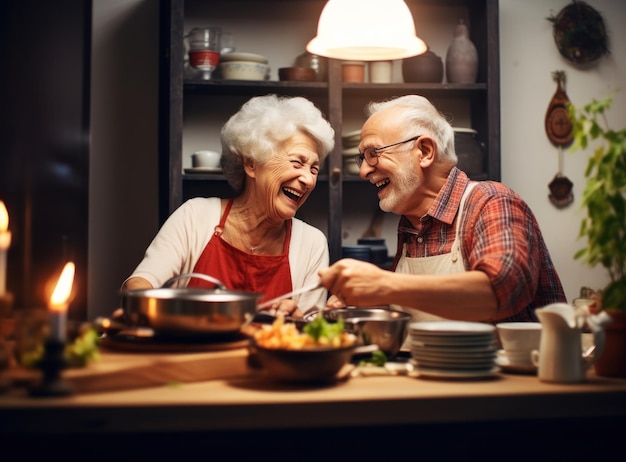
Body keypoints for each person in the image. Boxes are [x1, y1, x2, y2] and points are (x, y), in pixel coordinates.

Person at [318, 94, 566, 325]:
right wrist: (365, 303)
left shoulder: (491, 201)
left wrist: (383, 284)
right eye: (362, 158)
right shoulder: (411, 225)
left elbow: (501, 290)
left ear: (425, 152)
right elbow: (417, 305)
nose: (364, 171)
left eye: (374, 153)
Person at [123, 94, 335, 316]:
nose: (309, 180)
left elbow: (311, 335)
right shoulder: (195, 216)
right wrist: (144, 305)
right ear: (251, 164)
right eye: (297, 162)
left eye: (314, 169)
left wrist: (297, 322)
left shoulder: (312, 244)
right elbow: (139, 284)